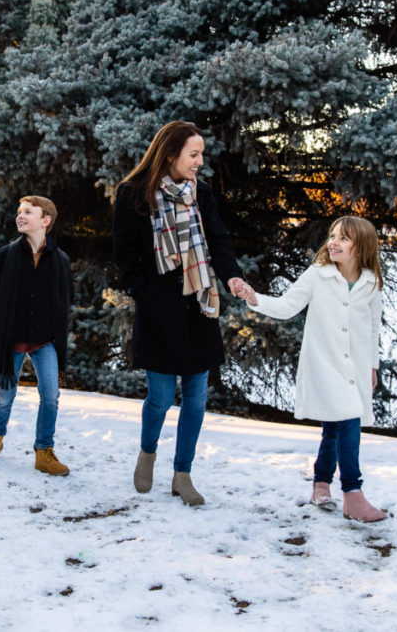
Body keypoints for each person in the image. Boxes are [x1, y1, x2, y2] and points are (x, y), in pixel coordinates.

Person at [112, 120, 251, 506]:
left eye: (201, 154)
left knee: (195, 398)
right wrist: (147, 295)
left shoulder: (200, 193)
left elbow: (218, 241)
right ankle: (148, 453)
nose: (199, 161)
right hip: (158, 309)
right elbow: (125, 255)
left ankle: (182, 474)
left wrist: (232, 277)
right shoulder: (134, 194)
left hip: (199, 304)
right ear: (171, 154)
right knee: (159, 398)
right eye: (194, 154)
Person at [243, 216, 387, 522]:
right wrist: (255, 299)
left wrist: (372, 366)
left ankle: (321, 484)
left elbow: (373, 329)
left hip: (356, 367)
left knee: (334, 428)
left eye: (344, 238)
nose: (333, 242)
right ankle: (353, 495)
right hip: (324, 365)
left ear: (361, 246)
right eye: (333, 236)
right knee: (349, 423)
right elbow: (287, 306)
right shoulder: (317, 275)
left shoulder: (372, 282)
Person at [0, 196, 73, 476]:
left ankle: (44, 451)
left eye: (28, 211)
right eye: (19, 211)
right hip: (12, 337)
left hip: (45, 340)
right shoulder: (6, 254)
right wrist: (0, 316)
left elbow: (67, 297)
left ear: (45, 220)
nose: (20, 215)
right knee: (5, 394)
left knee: (51, 395)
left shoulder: (60, 259)